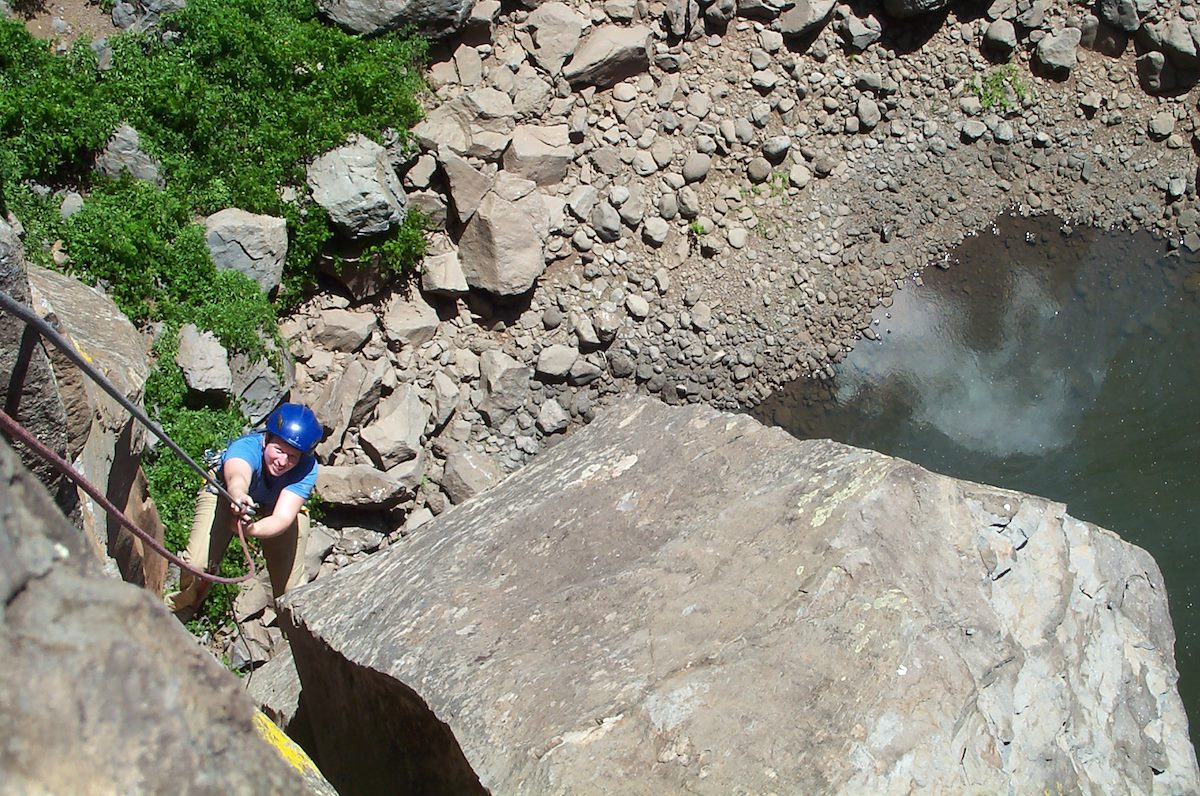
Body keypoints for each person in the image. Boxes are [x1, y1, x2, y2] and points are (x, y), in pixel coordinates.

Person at [168, 403, 322, 619]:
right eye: (278, 450)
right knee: (197, 565)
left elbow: (283, 517)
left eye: (292, 456)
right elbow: (238, 476)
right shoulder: (246, 448)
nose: (282, 461)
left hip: (271, 505)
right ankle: (181, 606)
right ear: (266, 439)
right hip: (225, 493)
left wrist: (252, 529)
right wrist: (239, 495)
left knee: (293, 583)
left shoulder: (306, 467)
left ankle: (294, 624)